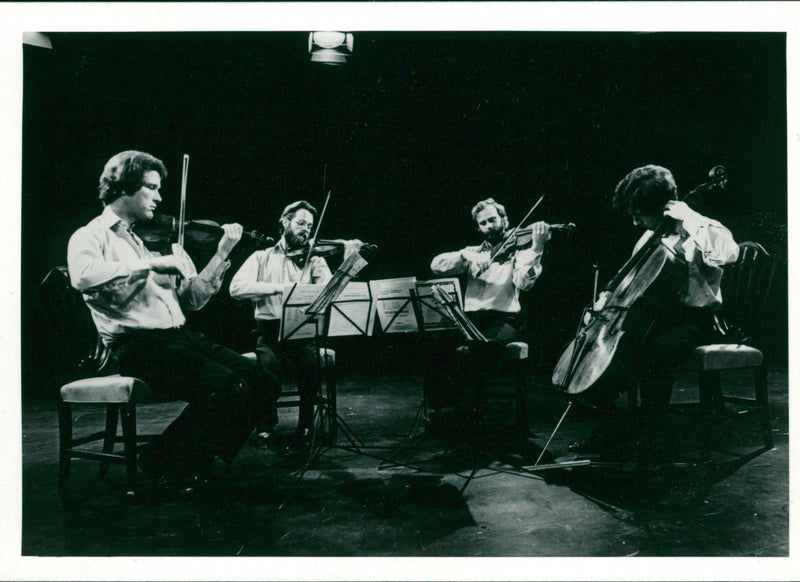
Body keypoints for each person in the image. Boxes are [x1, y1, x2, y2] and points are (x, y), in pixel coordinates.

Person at [67, 150, 280, 492]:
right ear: (124, 188)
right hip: (137, 345)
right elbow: (82, 276)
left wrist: (222, 252)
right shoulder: (91, 235)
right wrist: (151, 265)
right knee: (229, 388)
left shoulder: (145, 242)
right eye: (151, 188)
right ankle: (176, 463)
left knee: (264, 384)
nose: (159, 197)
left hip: (180, 337)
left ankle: (171, 458)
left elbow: (192, 300)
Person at [570, 164, 740, 456]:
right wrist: (603, 304)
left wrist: (690, 218)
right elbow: (629, 284)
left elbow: (729, 253)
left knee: (654, 352)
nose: (635, 222)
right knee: (622, 348)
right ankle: (615, 428)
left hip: (697, 322)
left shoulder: (701, 227)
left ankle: (651, 435)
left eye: (640, 214)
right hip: (659, 318)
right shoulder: (649, 238)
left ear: (662, 207)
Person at [229, 201, 362, 445]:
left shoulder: (315, 259)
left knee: (310, 364)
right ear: (285, 222)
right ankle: (265, 426)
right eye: (301, 223)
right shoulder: (261, 257)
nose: (306, 230)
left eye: (309, 227)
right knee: (268, 367)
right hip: (269, 333)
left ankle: (306, 426)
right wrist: (281, 288)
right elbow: (236, 288)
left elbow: (330, 293)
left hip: (303, 331)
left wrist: (348, 260)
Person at [426, 198, 551, 426]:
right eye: (483, 223)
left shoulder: (520, 253)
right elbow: (436, 265)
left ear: (504, 220)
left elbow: (524, 283)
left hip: (503, 321)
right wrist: (466, 256)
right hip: (469, 321)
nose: (489, 226)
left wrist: (536, 247)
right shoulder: (473, 253)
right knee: (432, 344)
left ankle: (467, 412)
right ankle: (440, 410)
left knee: (485, 348)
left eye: (493, 220)